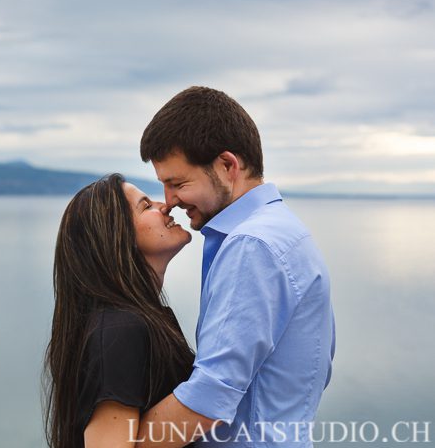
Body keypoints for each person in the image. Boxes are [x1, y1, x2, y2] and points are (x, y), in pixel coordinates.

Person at [137, 86, 336, 447]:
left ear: (227, 166)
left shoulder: (251, 245)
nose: (169, 201)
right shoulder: (286, 231)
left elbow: (209, 398)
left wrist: (119, 442)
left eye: (178, 183)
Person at [44, 173, 196, 448]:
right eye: (145, 206)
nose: (165, 205)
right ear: (117, 235)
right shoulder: (120, 329)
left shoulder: (137, 320)